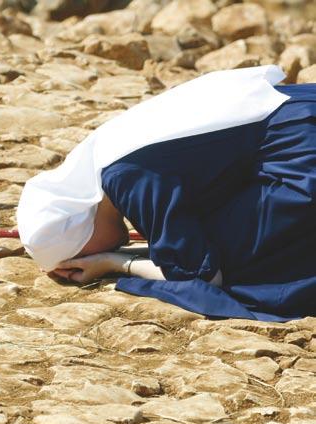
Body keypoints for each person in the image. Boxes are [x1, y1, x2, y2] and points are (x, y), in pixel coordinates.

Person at [17, 65, 316, 322]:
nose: (91, 255)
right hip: (301, 107)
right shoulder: (106, 154)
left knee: (242, 269)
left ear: (81, 228)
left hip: (300, 152)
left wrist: (117, 263)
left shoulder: (126, 179)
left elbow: (202, 277)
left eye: (83, 253)